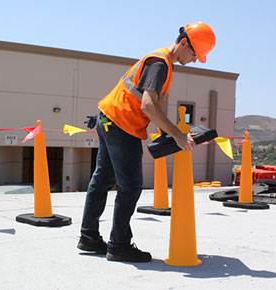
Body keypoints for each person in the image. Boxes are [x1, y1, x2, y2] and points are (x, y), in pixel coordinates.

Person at [77, 22, 216, 262]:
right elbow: (148, 105)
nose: (194, 59)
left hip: (109, 119)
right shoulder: (160, 63)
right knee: (129, 186)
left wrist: (167, 130)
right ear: (184, 43)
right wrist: (177, 135)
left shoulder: (159, 61)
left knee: (102, 180)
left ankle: (89, 238)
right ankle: (118, 245)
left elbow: (145, 104)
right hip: (121, 126)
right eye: (194, 53)